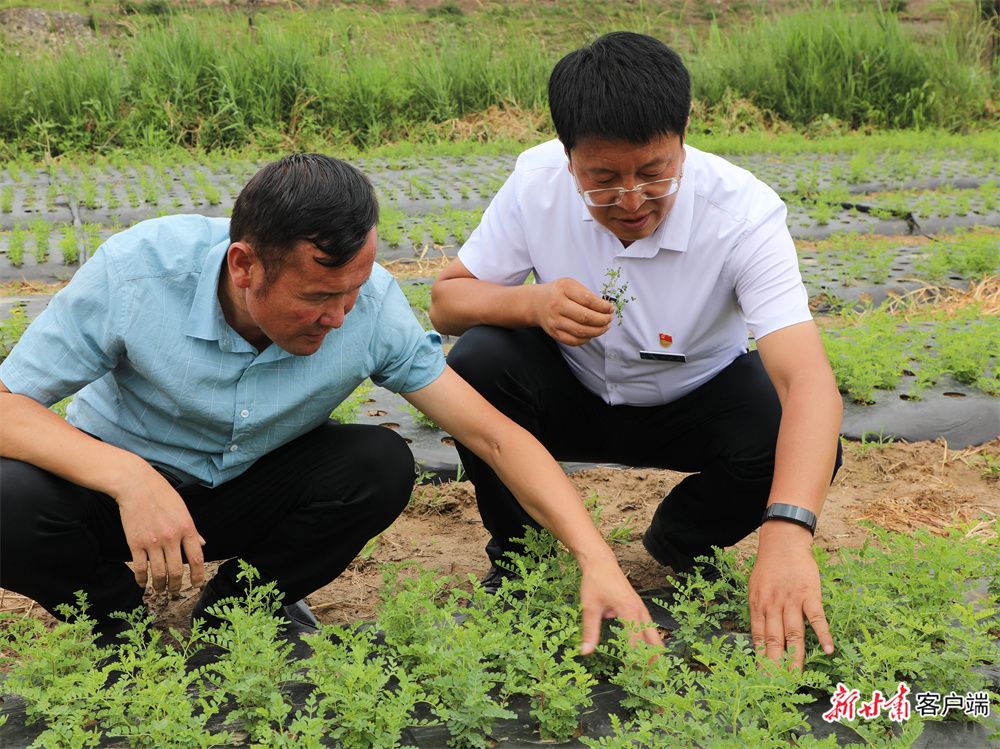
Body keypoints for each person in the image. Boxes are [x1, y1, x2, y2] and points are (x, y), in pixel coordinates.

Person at [0, 153, 658, 654]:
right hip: (118, 505)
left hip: (246, 496)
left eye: (353, 291)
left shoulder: (370, 311)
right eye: (317, 297)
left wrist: (596, 559)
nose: (339, 317)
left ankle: (238, 611)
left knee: (378, 463)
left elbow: (495, 436)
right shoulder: (140, 272)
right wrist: (128, 477)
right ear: (244, 266)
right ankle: (117, 624)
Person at [429, 32, 844, 670]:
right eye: (602, 179)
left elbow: (808, 379)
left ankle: (683, 538)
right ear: (568, 159)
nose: (630, 200)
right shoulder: (535, 183)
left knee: (789, 429)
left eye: (654, 173)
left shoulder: (743, 213)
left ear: (682, 140)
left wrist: (789, 532)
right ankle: (520, 558)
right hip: (571, 395)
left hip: (694, 402)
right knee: (479, 365)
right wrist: (532, 304)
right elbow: (447, 302)